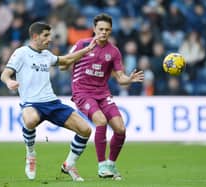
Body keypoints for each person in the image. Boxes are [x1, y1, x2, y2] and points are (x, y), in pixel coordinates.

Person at [0, 22, 97, 181]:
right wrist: (9, 82)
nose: (49, 39)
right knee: (30, 120)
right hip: (31, 103)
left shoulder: (46, 54)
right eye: (46, 36)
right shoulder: (21, 53)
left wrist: (86, 50)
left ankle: (69, 164)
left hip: (52, 102)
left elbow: (65, 61)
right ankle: (31, 155)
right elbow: (5, 74)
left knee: (85, 130)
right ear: (35, 36)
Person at [61, 13, 144, 180]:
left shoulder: (113, 52)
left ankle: (111, 165)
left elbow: (120, 79)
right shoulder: (82, 44)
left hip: (102, 93)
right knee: (101, 121)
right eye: (100, 29)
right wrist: (84, 52)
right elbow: (63, 65)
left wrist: (129, 79)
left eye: (107, 30)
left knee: (120, 129)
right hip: (82, 92)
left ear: (111, 31)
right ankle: (101, 167)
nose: (103, 32)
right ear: (94, 29)